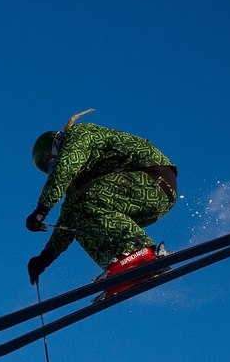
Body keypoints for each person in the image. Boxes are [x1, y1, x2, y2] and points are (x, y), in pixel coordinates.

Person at [25, 110, 178, 293]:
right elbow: (68, 218)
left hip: (152, 180)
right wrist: (44, 259)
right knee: (77, 219)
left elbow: (65, 168)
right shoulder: (80, 184)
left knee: (89, 197)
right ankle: (125, 266)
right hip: (138, 199)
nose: (54, 170)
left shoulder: (79, 135)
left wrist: (41, 210)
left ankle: (141, 250)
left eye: (53, 164)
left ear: (57, 148)